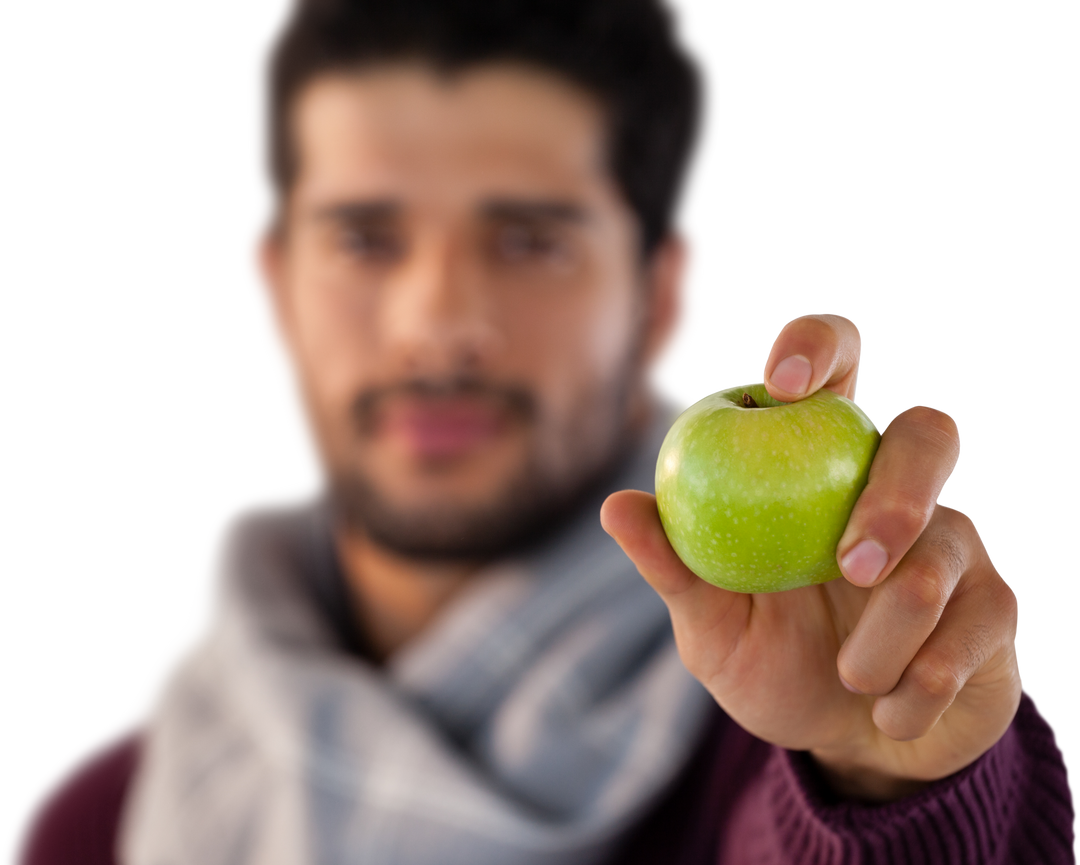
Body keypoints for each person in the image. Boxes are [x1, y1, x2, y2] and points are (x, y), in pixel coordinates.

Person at [4, 0, 1075, 863]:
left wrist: (888, 780)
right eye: (366, 237)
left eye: (528, 240)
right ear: (269, 288)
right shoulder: (98, 827)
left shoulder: (793, 729)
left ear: (664, 299)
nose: (439, 323)